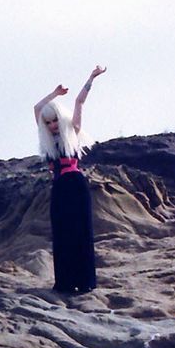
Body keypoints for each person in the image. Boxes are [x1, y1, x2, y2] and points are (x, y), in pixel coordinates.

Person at [34, 67, 106, 295]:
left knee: (81, 232)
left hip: (76, 185)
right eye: (48, 122)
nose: (53, 125)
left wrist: (91, 78)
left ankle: (85, 281)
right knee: (62, 233)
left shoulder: (72, 132)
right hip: (59, 189)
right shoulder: (47, 142)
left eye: (55, 120)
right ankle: (65, 282)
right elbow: (37, 109)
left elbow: (79, 102)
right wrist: (53, 94)